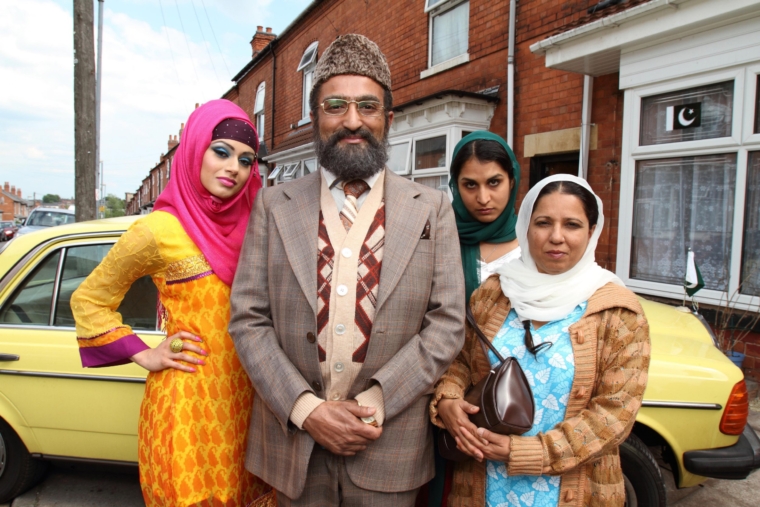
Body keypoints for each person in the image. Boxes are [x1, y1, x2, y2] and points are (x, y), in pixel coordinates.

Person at [228, 34, 465, 506]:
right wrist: (305, 409)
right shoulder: (275, 205)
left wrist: (376, 402)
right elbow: (249, 319)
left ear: (388, 118)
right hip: (294, 446)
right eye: (336, 106)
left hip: (388, 444)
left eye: (367, 107)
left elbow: (446, 323)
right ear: (316, 118)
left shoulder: (432, 209)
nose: (352, 121)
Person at [71, 100, 273, 507]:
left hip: (252, 407)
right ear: (195, 150)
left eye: (246, 159)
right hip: (188, 410)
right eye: (221, 151)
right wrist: (143, 353)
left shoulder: (258, 223)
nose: (233, 167)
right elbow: (90, 299)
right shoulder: (158, 230)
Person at [431, 174, 650, 507]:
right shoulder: (494, 292)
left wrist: (527, 452)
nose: (556, 237)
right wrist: (448, 401)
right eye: (543, 222)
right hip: (484, 484)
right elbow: (459, 361)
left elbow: (615, 415)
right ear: (526, 227)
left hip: (571, 489)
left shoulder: (619, 313)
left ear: (591, 232)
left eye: (572, 225)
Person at [423, 131, 523, 507]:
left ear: (512, 179)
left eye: (494, 182)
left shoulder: (538, 242)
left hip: (521, 400)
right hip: (454, 400)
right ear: (455, 185)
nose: (483, 198)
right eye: (470, 185)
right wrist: (446, 399)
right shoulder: (439, 240)